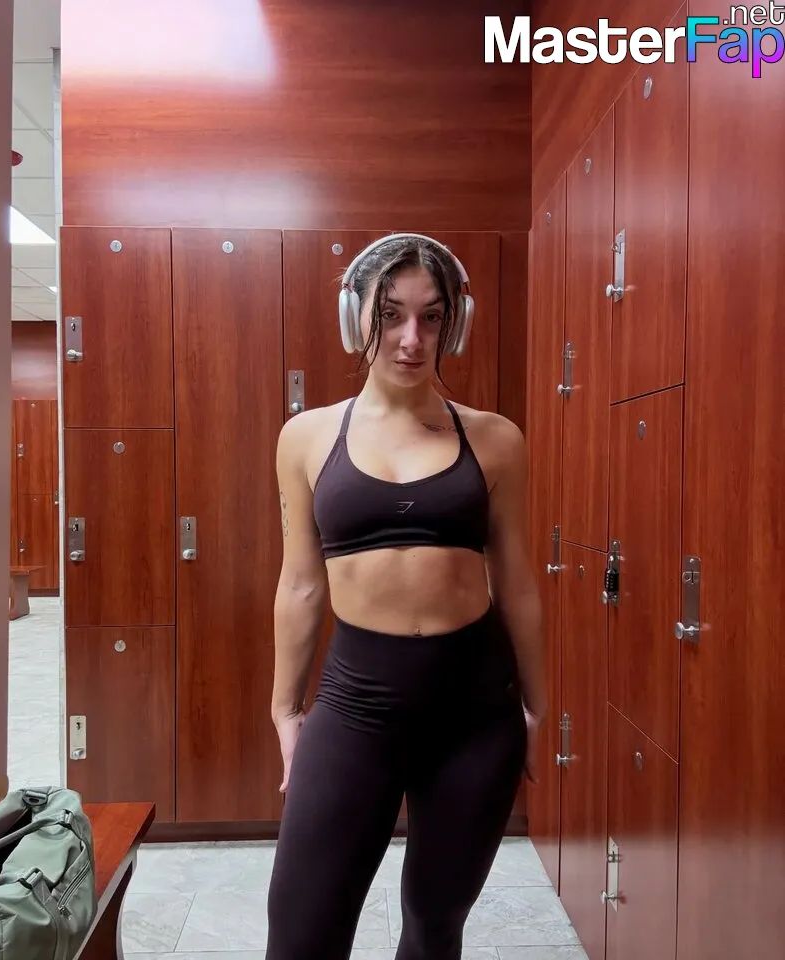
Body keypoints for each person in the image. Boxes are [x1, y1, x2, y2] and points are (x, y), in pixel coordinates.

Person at [265, 233, 546, 960]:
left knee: (433, 928)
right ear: (354, 316)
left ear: (456, 323)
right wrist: (286, 711)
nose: (411, 338)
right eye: (390, 314)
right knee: (301, 934)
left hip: (475, 714)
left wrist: (538, 707)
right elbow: (301, 582)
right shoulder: (306, 437)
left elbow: (516, 581)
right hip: (356, 707)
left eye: (431, 316)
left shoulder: (495, 439)